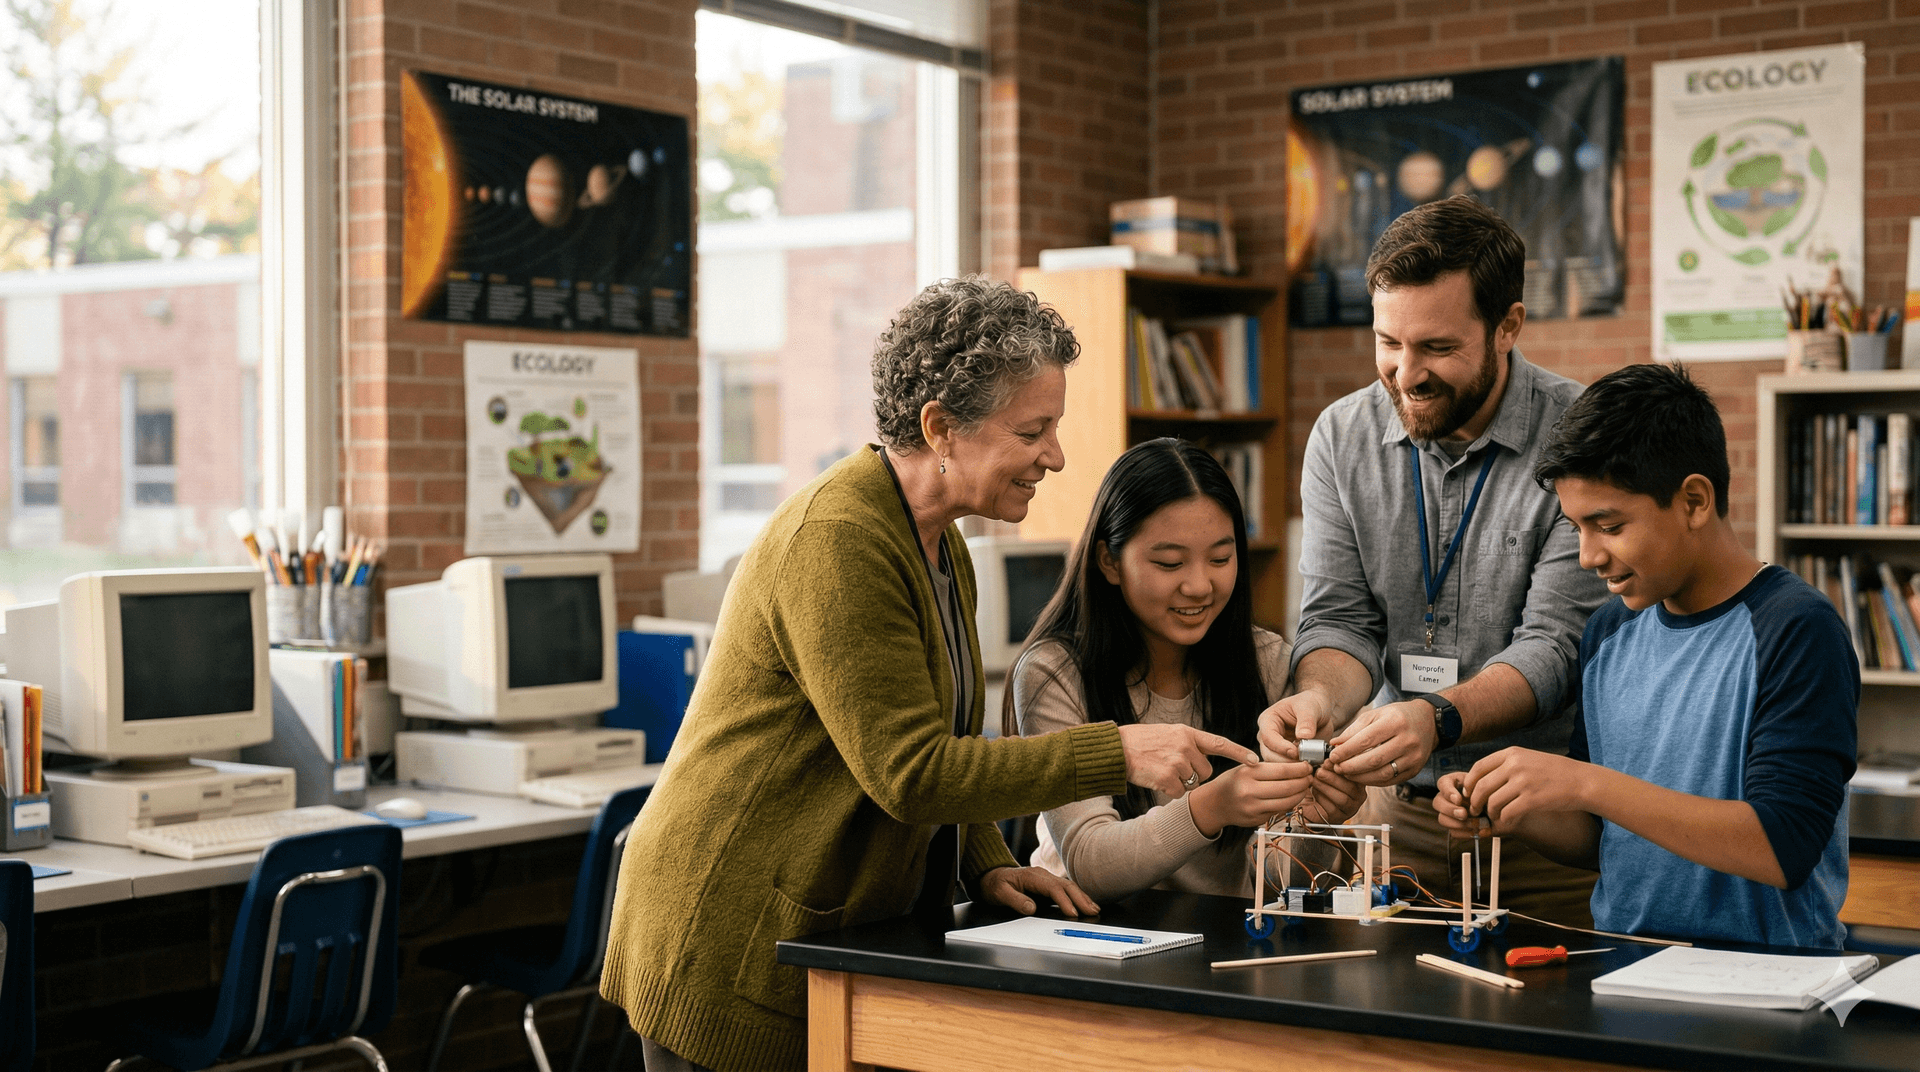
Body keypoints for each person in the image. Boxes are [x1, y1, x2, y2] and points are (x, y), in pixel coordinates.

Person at [601, 278, 1260, 1072]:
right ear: (940, 428)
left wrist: (987, 860)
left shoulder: (941, 543)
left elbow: (942, 740)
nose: (1054, 456)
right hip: (725, 933)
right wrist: (1116, 750)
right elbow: (911, 773)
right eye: (1032, 431)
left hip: (817, 928)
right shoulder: (838, 541)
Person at [1257, 195, 1610, 924]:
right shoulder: (1340, 437)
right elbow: (1339, 619)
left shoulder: (1581, 435)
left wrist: (1438, 717)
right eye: (1389, 342)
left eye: (1437, 349)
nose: (1405, 374)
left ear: (1508, 325)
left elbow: (1556, 644)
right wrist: (1320, 700)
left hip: (1539, 827)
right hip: (1393, 821)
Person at [1435, 363, 1858, 948]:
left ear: (1693, 501)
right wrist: (1515, 808)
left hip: (1770, 982)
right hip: (1626, 966)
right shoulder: (1608, 633)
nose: (1587, 556)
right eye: (1577, 527)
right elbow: (1601, 837)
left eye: (1608, 525)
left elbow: (1783, 845)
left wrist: (1585, 783)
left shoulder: (1798, 629)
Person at [1013, 439, 1365, 901]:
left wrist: (1318, 822)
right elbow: (1090, 862)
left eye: (1221, 558)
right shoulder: (1055, 674)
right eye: (1170, 563)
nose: (1200, 586)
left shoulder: (1268, 662)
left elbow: (1283, 886)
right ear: (1109, 561)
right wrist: (1210, 807)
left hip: (1222, 950)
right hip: (1087, 939)